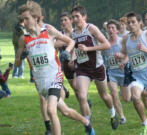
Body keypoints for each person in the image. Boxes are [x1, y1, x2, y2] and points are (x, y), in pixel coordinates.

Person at [16, 1, 95, 135]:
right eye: (22, 19)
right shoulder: (24, 39)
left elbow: (71, 41)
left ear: (36, 18)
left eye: (27, 19)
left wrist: (66, 52)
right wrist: (21, 57)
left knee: (51, 110)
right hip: (41, 82)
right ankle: (87, 123)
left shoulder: (48, 31)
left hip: (55, 77)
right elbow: (17, 63)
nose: (24, 22)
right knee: (65, 111)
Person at [115, 12, 147, 135]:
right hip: (136, 75)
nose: (130, 25)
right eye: (129, 22)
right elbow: (124, 53)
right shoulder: (126, 38)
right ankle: (145, 122)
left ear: (140, 23)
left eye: (133, 22)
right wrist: (120, 58)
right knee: (136, 97)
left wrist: (145, 49)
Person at [71, 5, 119, 130]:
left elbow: (107, 45)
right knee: (81, 96)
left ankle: (113, 113)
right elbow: (74, 49)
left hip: (97, 67)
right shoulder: (73, 33)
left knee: (104, 95)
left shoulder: (91, 28)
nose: (75, 19)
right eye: (73, 17)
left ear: (84, 17)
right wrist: (72, 58)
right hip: (83, 69)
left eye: (77, 16)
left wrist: (88, 49)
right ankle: (88, 124)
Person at [103, 19, 130, 125]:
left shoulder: (122, 41)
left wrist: (123, 60)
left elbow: (128, 55)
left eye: (113, 28)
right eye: (109, 28)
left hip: (123, 71)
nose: (110, 30)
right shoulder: (105, 43)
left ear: (117, 30)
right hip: (111, 72)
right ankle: (122, 117)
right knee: (114, 94)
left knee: (126, 99)